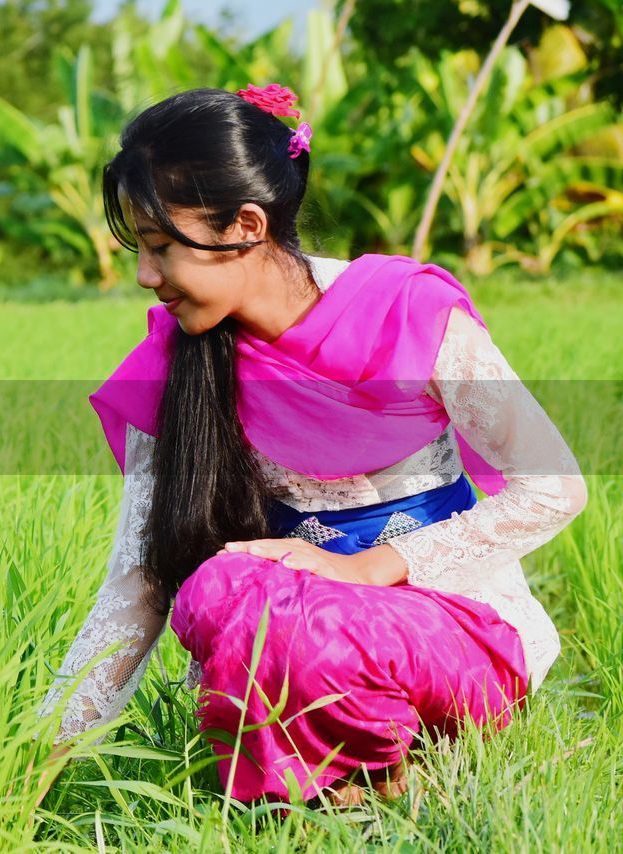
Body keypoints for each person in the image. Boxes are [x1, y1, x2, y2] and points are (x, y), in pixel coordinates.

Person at [33, 84, 589, 805]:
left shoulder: (405, 313)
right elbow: (139, 584)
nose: (146, 276)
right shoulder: (177, 362)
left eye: (162, 246)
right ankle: (348, 787)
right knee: (215, 588)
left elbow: (555, 486)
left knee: (303, 619)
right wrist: (35, 763)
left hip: (457, 626)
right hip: (296, 631)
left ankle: (380, 768)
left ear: (246, 224)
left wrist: (363, 569)